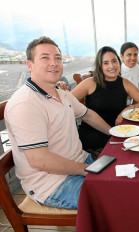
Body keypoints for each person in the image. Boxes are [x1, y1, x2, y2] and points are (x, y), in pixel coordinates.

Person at [4, 36, 112, 209]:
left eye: (58, 58)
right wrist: (85, 169)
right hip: (51, 183)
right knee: (115, 198)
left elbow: (88, 115)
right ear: (30, 65)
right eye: (45, 57)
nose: (54, 63)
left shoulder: (61, 93)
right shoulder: (25, 103)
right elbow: (39, 160)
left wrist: (114, 133)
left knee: (126, 183)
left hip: (80, 162)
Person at [72, 46, 139, 152]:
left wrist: (127, 109)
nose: (111, 66)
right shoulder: (90, 82)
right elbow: (67, 102)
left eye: (114, 61)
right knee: (130, 147)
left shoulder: (124, 82)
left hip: (118, 130)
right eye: (106, 63)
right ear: (99, 66)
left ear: (119, 62)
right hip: (94, 133)